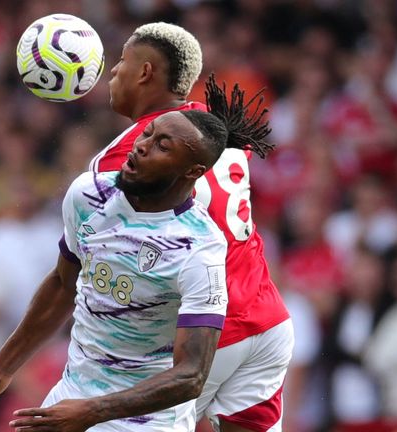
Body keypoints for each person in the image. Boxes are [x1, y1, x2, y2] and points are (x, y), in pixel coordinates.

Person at [0, 77, 271, 431]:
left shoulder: (200, 249)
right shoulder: (89, 195)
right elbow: (63, 284)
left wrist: (92, 412)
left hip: (145, 423)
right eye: (147, 133)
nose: (141, 147)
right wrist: (2, 367)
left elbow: (190, 375)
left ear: (193, 172)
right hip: (70, 399)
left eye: (162, 146)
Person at [91, 22, 292, 432]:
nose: (112, 72)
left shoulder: (129, 161)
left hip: (205, 335)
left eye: (122, 62)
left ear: (146, 73)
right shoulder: (210, 124)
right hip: (267, 323)